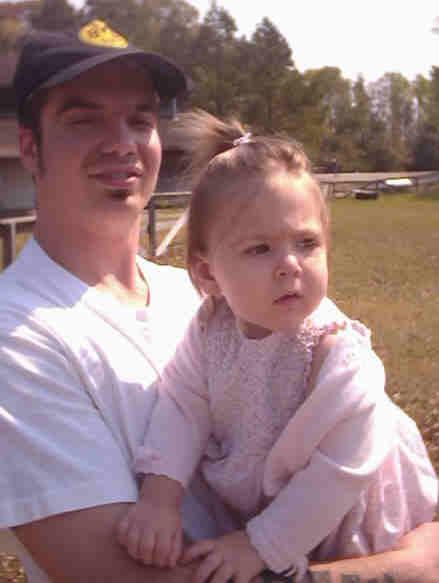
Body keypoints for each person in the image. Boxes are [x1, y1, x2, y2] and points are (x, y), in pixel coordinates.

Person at [0, 20, 437, 583]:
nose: (123, 142)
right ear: (30, 147)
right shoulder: (18, 338)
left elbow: (361, 433)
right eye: (84, 119)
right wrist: (404, 569)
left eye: (141, 119)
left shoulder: (215, 295)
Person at [116, 110, 438, 583]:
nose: (290, 264)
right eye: (259, 249)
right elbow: (182, 408)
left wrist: (259, 544)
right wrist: (160, 498)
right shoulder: (209, 331)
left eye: (306, 243)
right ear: (208, 273)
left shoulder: (334, 351)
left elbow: (342, 469)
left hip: (351, 513)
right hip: (278, 508)